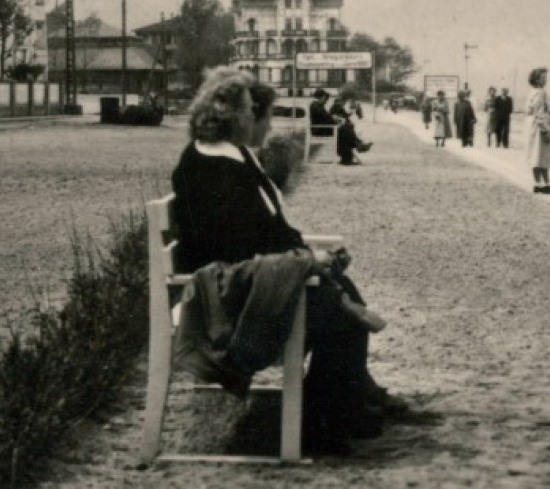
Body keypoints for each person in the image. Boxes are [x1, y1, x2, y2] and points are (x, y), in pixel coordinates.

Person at [170, 68, 403, 454]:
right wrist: (308, 259)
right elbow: (241, 243)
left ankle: (339, 407)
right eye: (249, 109)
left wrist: (311, 258)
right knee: (335, 309)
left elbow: (264, 231)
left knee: (341, 291)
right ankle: (319, 420)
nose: (254, 115)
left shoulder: (223, 158)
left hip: (235, 274)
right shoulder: (218, 170)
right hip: (222, 292)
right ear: (230, 116)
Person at [523, 69, 550, 193]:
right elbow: (539, 113)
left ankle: (538, 182)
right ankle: (546, 183)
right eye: (544, 77)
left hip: (531, 125)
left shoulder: (532, 92)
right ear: (538, 79)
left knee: (535, 155)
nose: (546, 80)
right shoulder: (540, 93)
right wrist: (545, 130)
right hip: (539, 126)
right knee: (542, 155)